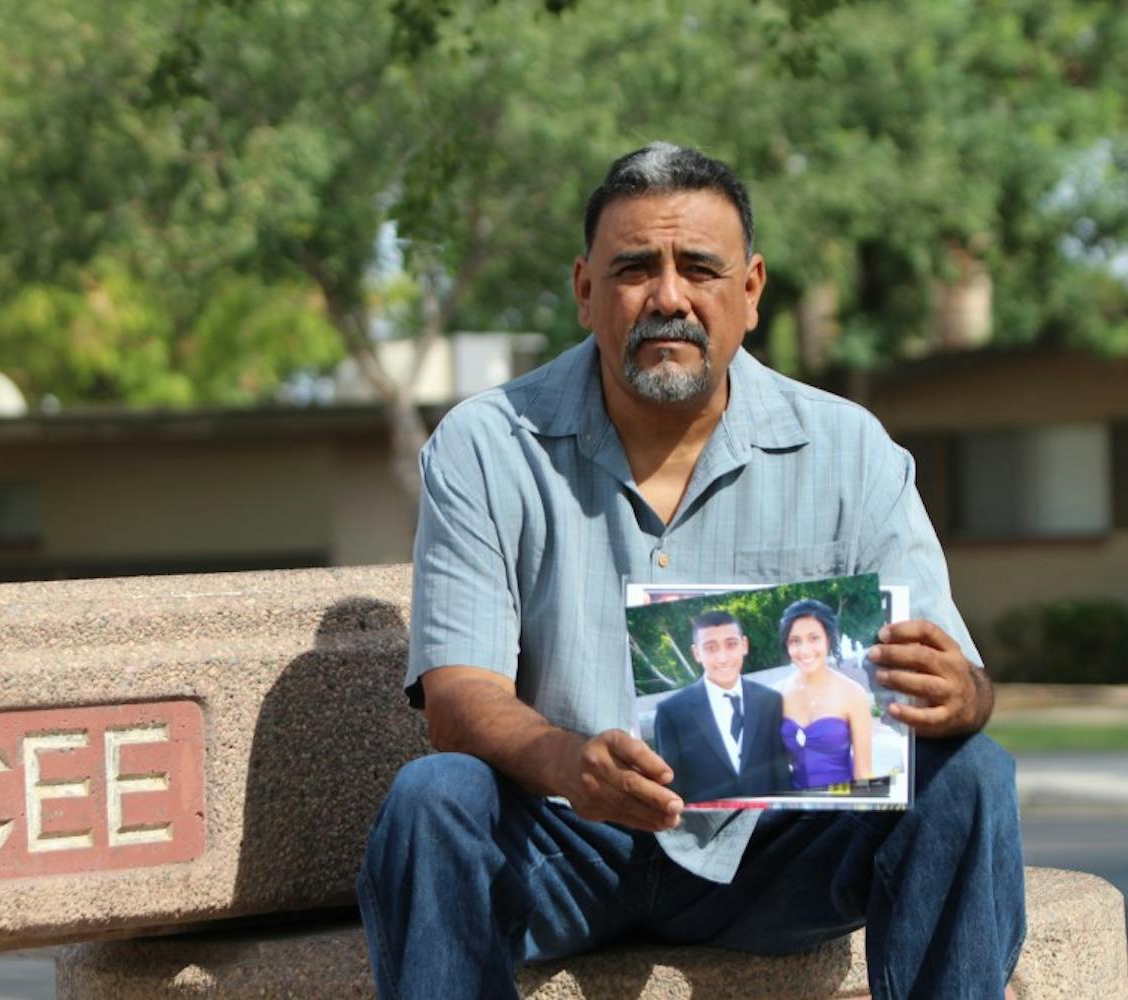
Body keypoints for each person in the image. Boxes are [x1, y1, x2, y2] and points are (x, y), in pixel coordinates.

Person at [358, 142, 1024, 999]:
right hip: (566, 845)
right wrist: (568, 764)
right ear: (585, 290)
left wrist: (962, 694)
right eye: (634, 268)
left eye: (698, 268)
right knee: (433, 795)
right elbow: (456, 701)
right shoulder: (487, 445)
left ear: (749, 291)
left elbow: (950, 679)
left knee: (970, 772)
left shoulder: (850, 449)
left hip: (775, 852)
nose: (667, 296)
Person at [653, 610, 791, 802]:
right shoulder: (671, 712)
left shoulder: (771, 701)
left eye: (731, 644)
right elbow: (671, 790)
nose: (723, 657)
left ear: (744, 645)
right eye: (711, 648)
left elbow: (781, 773)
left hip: (768, 824)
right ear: (696, 653)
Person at [776, 598, 874, 788]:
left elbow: (864, 774)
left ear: (828, 639)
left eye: (814, 638)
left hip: (843, 803)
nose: (804, 650)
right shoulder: (776, 695)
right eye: (795, 641)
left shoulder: (853, 694)